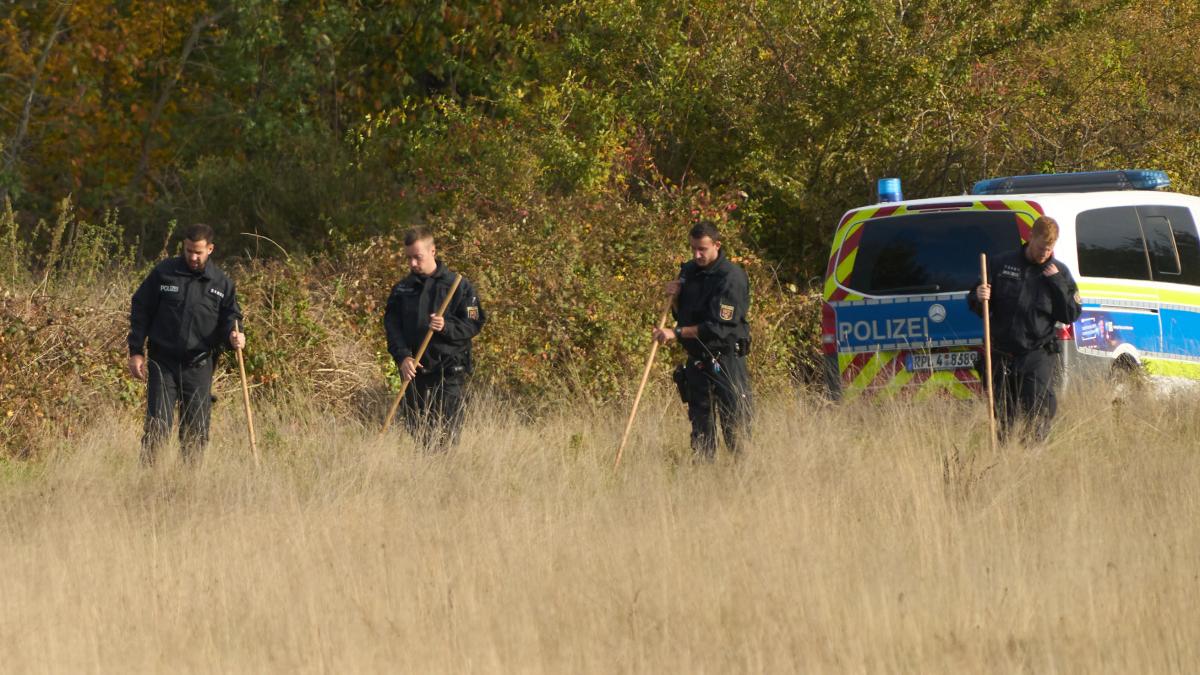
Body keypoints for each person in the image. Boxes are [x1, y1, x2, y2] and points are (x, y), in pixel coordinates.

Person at [128, 223, 244, 464]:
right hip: (163, 362)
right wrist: (136, 351)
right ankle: (147, 483)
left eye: (198, 252)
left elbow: (230, 319)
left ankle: (188, 487)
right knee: (157, 426)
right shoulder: (164, 273)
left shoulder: (222, 284)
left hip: (199, 365)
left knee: (196, 432)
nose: (192, 256)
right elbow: (141, 308)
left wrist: (236, 336)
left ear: (210, 249)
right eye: (188, 250)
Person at [970, 215, 1082, 443]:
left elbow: (1070, 315)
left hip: (1037, 352)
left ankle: (1034, 455)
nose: (1044, 254)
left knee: (1037, 410)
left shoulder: (1058, 272)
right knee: (1004, 414)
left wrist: (1058, 283)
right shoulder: (1001, 264)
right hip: (1002, 351)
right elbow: (978, 304)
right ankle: (1005, 458)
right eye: (1041, 248)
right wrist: (977, 296)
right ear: (1030, 237)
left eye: (1049, 250)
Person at [653, 221, 754, 461]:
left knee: (736, 428)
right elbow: (684, 315)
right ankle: (704, 481)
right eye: (693, 249)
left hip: (726, 360)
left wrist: (675, 333)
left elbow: (718, 328)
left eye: (702, 249)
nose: (697, 254)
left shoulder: (731, 278)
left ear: (717, 245)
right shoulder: (688, 271)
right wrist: (675, 299)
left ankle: (747, 483)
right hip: (697, 362)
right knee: (701, 430)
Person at [384, 227, 486, 451]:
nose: (412, 264)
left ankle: (445, 477)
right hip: (414, 371)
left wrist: (446, 327)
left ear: (433, 251)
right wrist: (403, 358)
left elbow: (474, 323)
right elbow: (392, 327)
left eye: (417, 257)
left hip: (449, 370)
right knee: (418, 432)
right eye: (408, 258)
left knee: (446, 435)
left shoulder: (460, 286)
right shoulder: (401, 289)